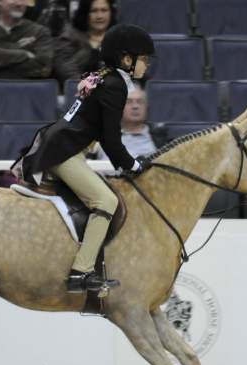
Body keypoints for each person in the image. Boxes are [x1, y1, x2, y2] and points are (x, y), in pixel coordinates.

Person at [16, 24, 155, 293]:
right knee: (106, 201)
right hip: (65, 152)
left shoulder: (103, 76)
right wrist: (134, 164)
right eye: (144, 59)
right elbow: (111, 140)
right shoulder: (116, 86)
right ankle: (82, 272)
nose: (147, 65)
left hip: (61, 144)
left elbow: (98, 130)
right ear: (127, 59)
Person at [0, 0, 53, 79]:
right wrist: (24, 54)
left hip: (29, 88)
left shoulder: (39, 31)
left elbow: (44, 68)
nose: (19, 4)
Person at [97, 84, 169, 160]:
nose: (135, 106)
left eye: (140, 101)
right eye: (129, 102)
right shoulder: (101, 137)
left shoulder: (161, 138)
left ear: (146, 107)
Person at [53, 0, 115, 85]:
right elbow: (68, 72)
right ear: (85, 13)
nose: (99, 16)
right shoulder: (68, 39)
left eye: (104, 10)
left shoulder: (120, 38)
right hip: (77, 92)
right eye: (94, 11)